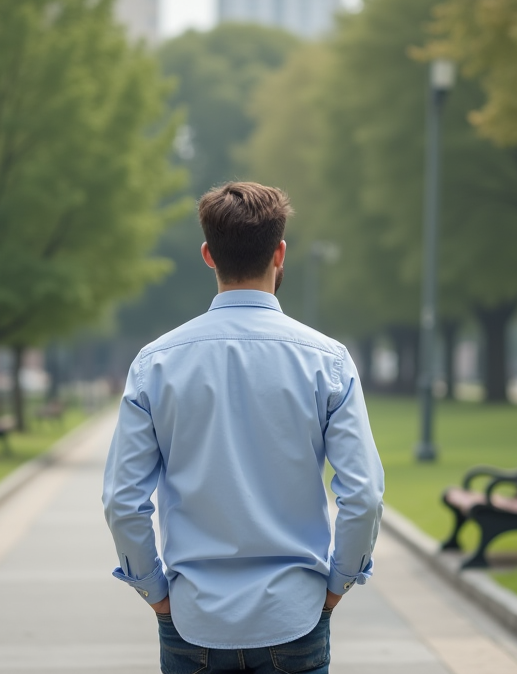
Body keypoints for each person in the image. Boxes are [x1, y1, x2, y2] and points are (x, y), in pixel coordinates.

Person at [102, 182, 385, 674]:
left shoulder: (156, 363)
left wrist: (155, 593)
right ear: (280, 253)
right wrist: (338, 585)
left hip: (194, 618)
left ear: (209, 255)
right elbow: (364, 495)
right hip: (295, 615)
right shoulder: (328, 362)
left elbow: (122, 500)